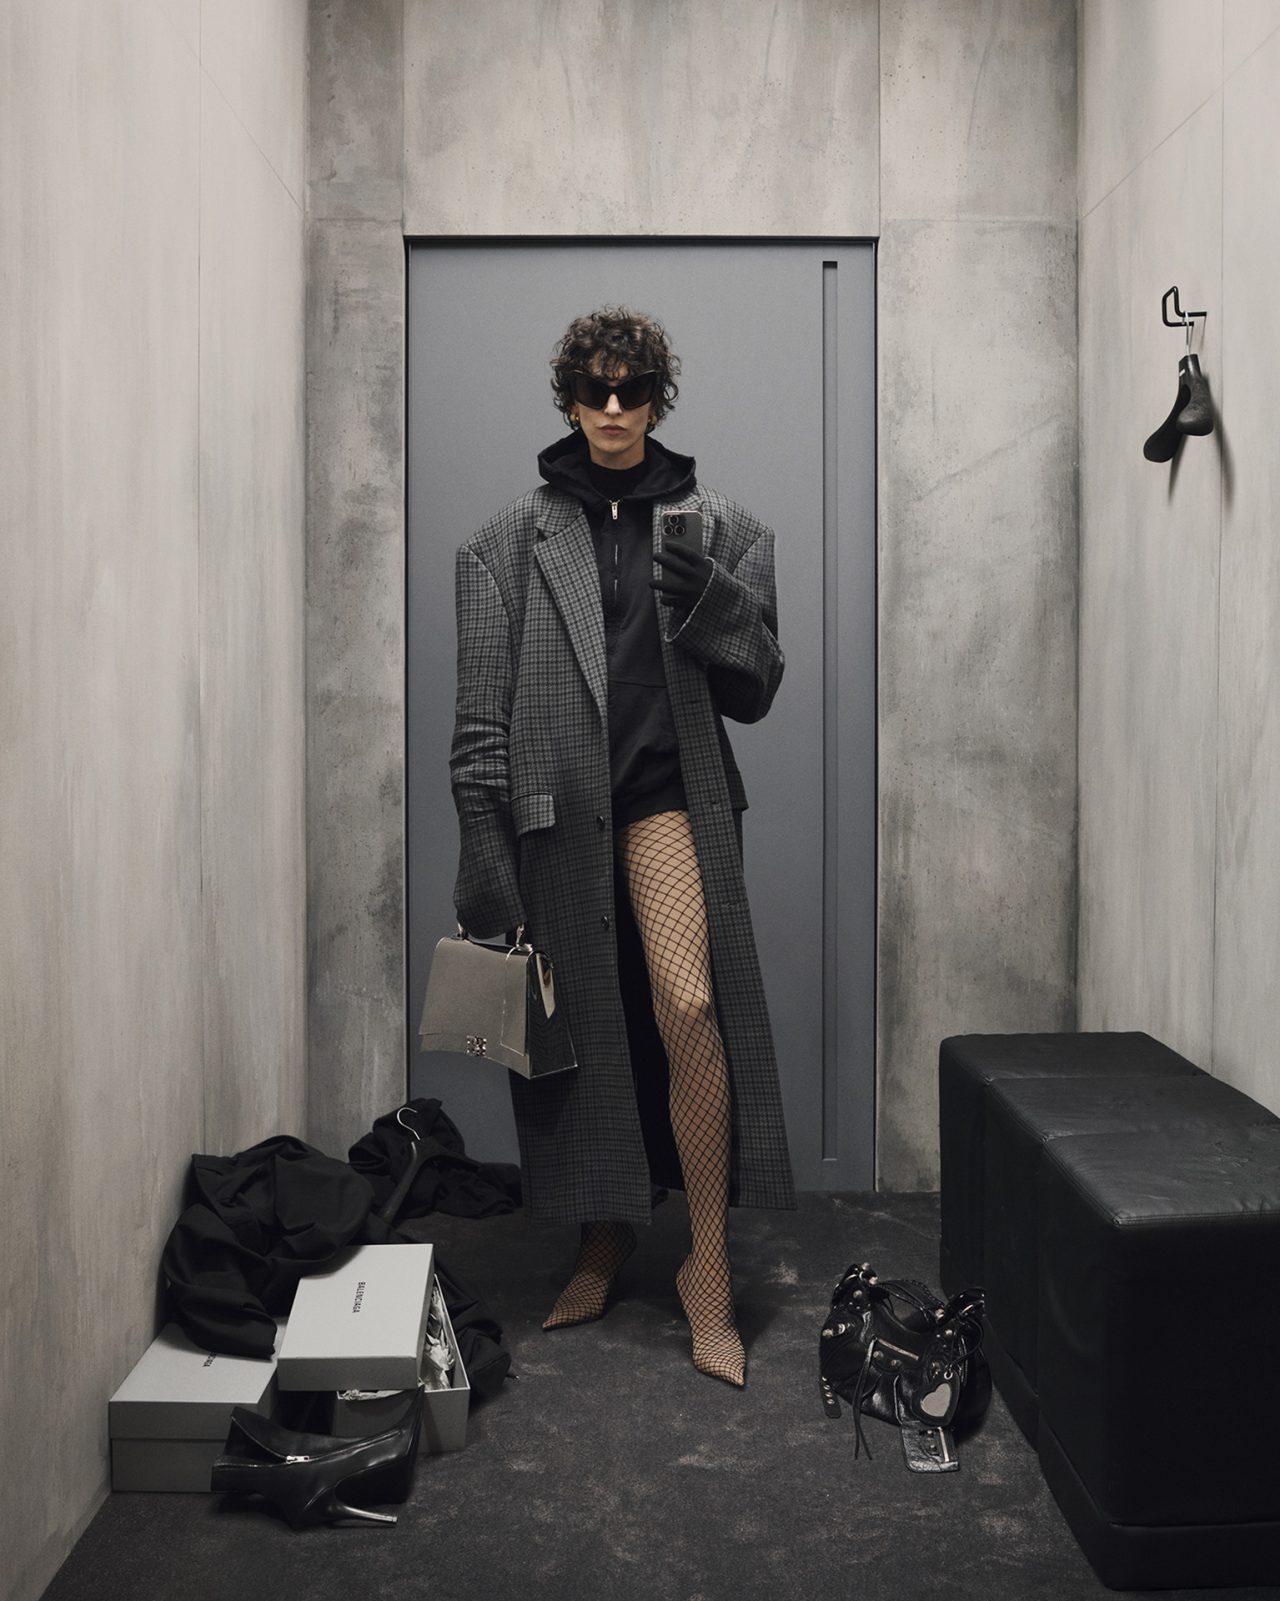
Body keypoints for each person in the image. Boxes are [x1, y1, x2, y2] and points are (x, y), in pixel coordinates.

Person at [449, 306, 795, 1388]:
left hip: (663, 797)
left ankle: (706, 1263)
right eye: (593, 389)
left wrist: (716, 605)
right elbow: (479, 724)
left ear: (656, 398)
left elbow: (758, 689)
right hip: (554, 814)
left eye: (631, 389)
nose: (611, 408)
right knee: (584, 1030)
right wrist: (486, 863)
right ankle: (602, 1234)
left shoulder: (723, 527)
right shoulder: (502, 543)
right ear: (567, 398)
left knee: (686, 1007)